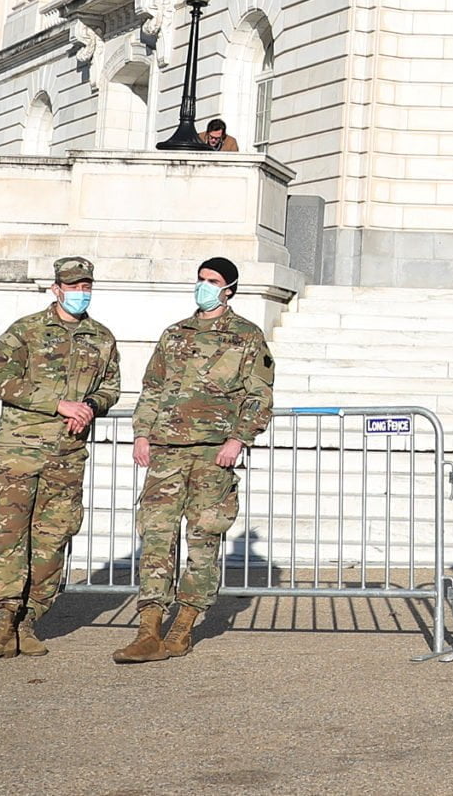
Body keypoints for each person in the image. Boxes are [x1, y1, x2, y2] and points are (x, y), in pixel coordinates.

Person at [114, 256, 274, 663]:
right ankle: (148, 629)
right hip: (166, 452)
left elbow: (259, 396)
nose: (204, 286)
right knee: (156, 538)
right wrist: (142, 433)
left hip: (212, 455)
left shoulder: (246, 336)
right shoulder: (174, 334)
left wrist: (238, 440)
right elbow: (152, 387)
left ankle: (183, 626)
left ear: (229, 288)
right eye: (201, 279)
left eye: (213, 280)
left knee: (203, 540)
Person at [0, 256, 121, 664]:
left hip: (66, 456)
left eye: (86, 285)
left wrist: (90, 405)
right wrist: (60, 404)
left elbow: (111, 388)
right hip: (20, 452)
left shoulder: (101, 337)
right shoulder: (24, 332)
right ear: (56, 289)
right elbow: (6, 384)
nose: (80, 292)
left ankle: (29, 623)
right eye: (73, 285)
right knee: (7, 537)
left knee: (52, 541)